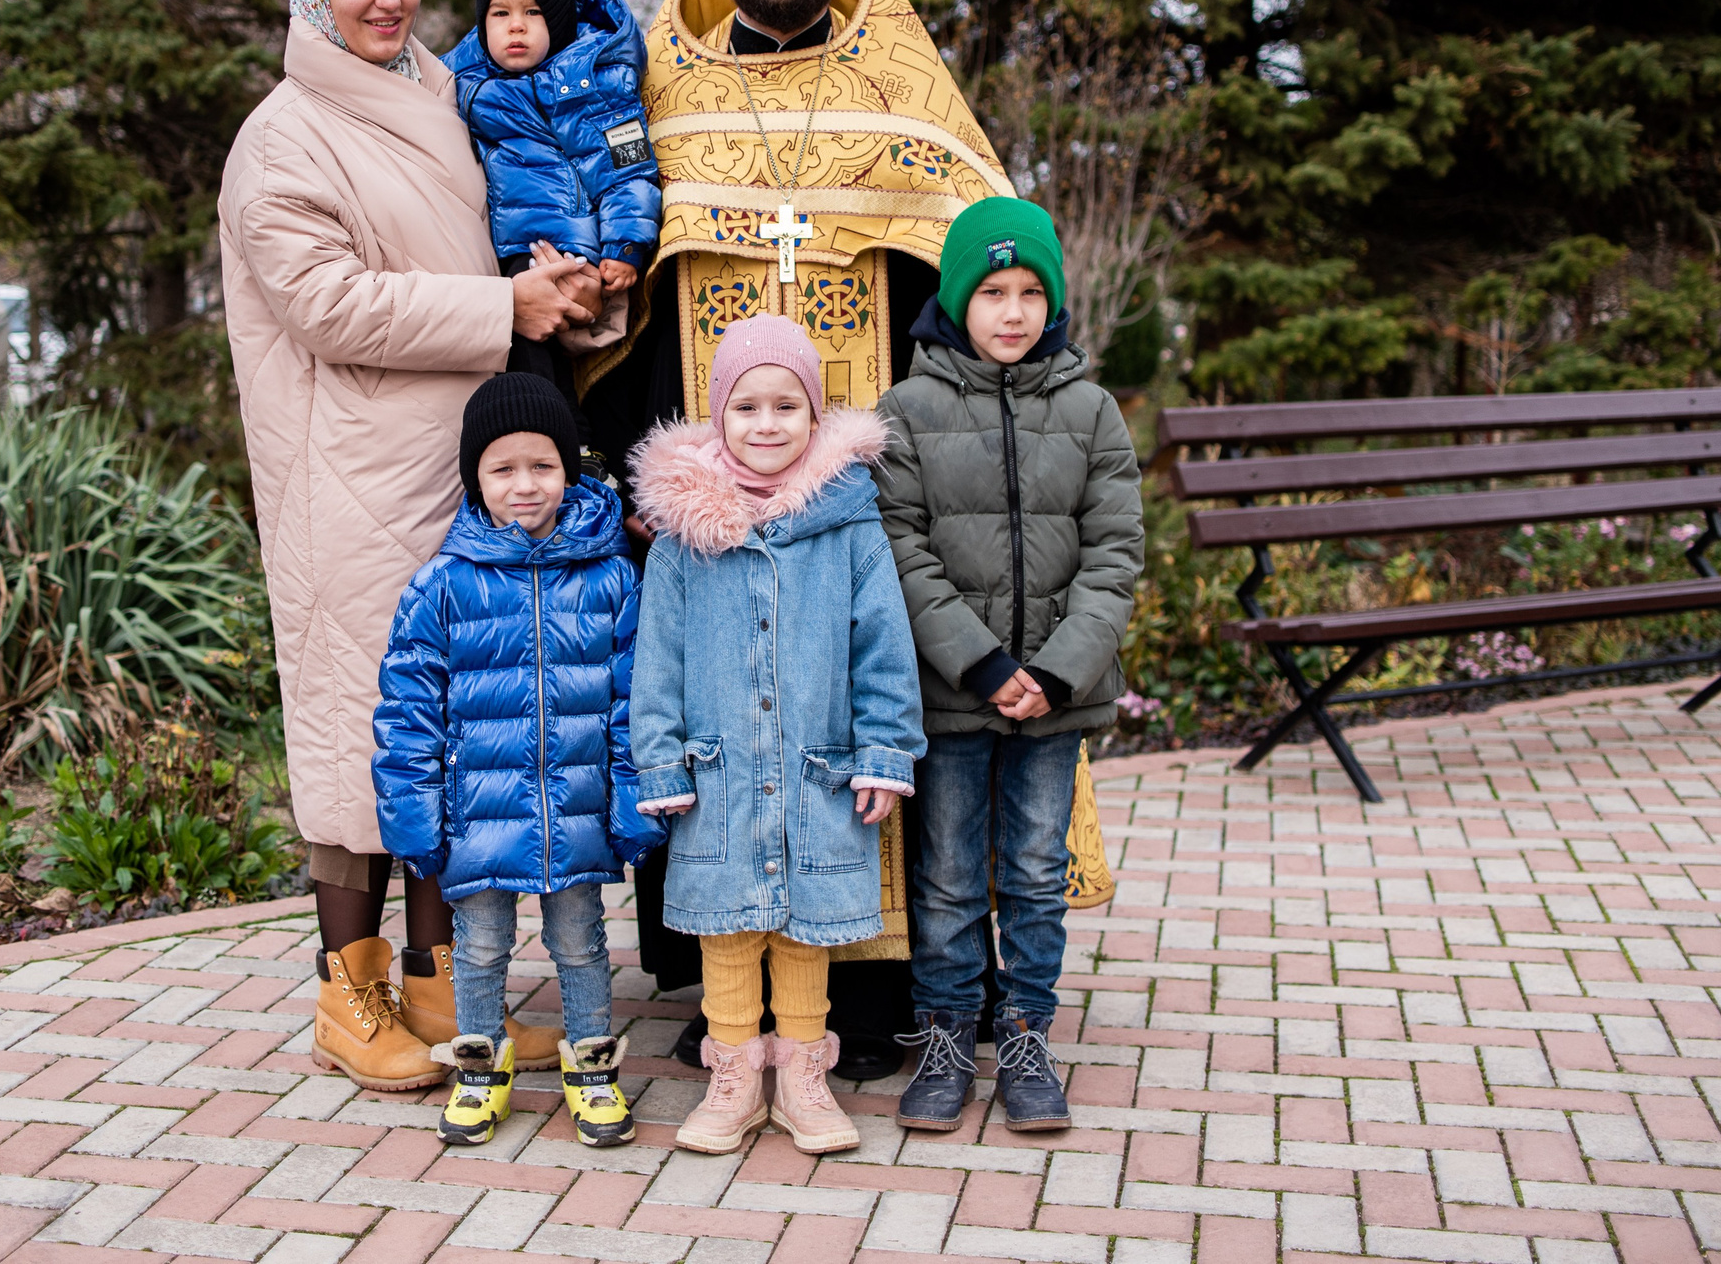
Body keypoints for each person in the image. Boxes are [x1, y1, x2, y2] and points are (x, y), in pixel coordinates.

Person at [580, 0, 1019, 1077]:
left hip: (861, 480)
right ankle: (718, 991)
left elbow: (974, 265)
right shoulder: (664, 87)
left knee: (851, 700)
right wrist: (639, 467)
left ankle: (875, 996)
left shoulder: (902, 89)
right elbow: (634, 299)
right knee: (720, 701)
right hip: (712, 472)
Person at [218, 0, 596, 1092]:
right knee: (354, 735)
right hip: (345, 480)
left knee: (448, 728)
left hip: (455, 468)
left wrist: (561, 282)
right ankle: (350, 996)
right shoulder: (281, 137)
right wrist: (504, 309)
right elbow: (328, 303)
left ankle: (444, 989)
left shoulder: (446, 93)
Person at [870, 197, 1143, 1132]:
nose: (1014, 311)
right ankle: (947, 1033)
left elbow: (1116, 555)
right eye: (992, 291)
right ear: (957, 299)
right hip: (954, 696)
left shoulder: (1091, 409)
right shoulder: (904, 412)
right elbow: (899, 550)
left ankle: (1024, 1030)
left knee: (1032, 870)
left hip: (1055, 705)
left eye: (1031, 291)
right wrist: (983, 665)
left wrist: (1057, 673)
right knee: (946, 873)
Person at [625, 316, 927, 1156]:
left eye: (786, 405)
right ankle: (733, 1075)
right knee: (727, 920)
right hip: (718, 770)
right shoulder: (686, 537)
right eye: (747, 405)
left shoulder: (849, 525)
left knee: (803, 921)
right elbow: (658, 658)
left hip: (814, 767)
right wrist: (658, 755)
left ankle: (800, 1075)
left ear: (815, 414)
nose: (766, 423)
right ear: (718, 414)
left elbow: (883, 648)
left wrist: (881, 753)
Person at [371, 373, 659, 1148]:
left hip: (578, 804)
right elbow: (407, 712)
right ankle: (478, 1071)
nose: (525, 485)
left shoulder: (609, 577)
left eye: (543, 465)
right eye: (503, 469)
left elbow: (636, 697)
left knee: (582, 941)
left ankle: (593, 1071)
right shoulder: (441, 586)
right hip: (479, 813)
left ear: (571, 469)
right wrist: (413, 814)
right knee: (481, 945)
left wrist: (632, 799)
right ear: (476, 479)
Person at [444, 0, 660, 464]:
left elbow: (628, 167)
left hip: (571, 249)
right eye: (500, 14)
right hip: (501, 256)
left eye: (533, 13)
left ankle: (583, 446)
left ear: (559, 22)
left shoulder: (599, 88)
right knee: (525, 358)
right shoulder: (463, 86)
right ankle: (563, 445)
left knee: (587, 364)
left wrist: (626, 245)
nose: (515, 27)